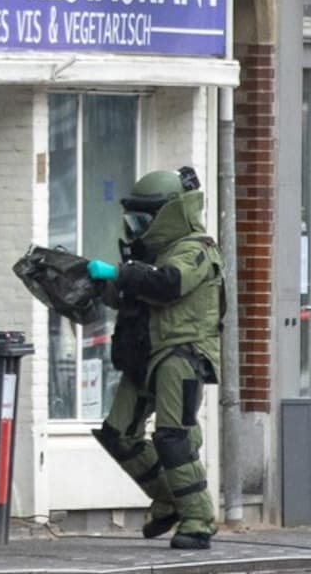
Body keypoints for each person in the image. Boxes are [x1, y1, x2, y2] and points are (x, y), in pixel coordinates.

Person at [84, 166, 224, 550]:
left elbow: (168, 284)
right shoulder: (149, 254)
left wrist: (120, 273)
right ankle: (171, 500)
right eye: (134, 219)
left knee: (172, 436)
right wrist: (95, 283)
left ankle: (198, 519)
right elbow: (129, 295)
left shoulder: (195, 249)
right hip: (144, 352)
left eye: (144, 218)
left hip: (181, 351)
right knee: (118, 434)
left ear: (169, 214)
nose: (137, 227)